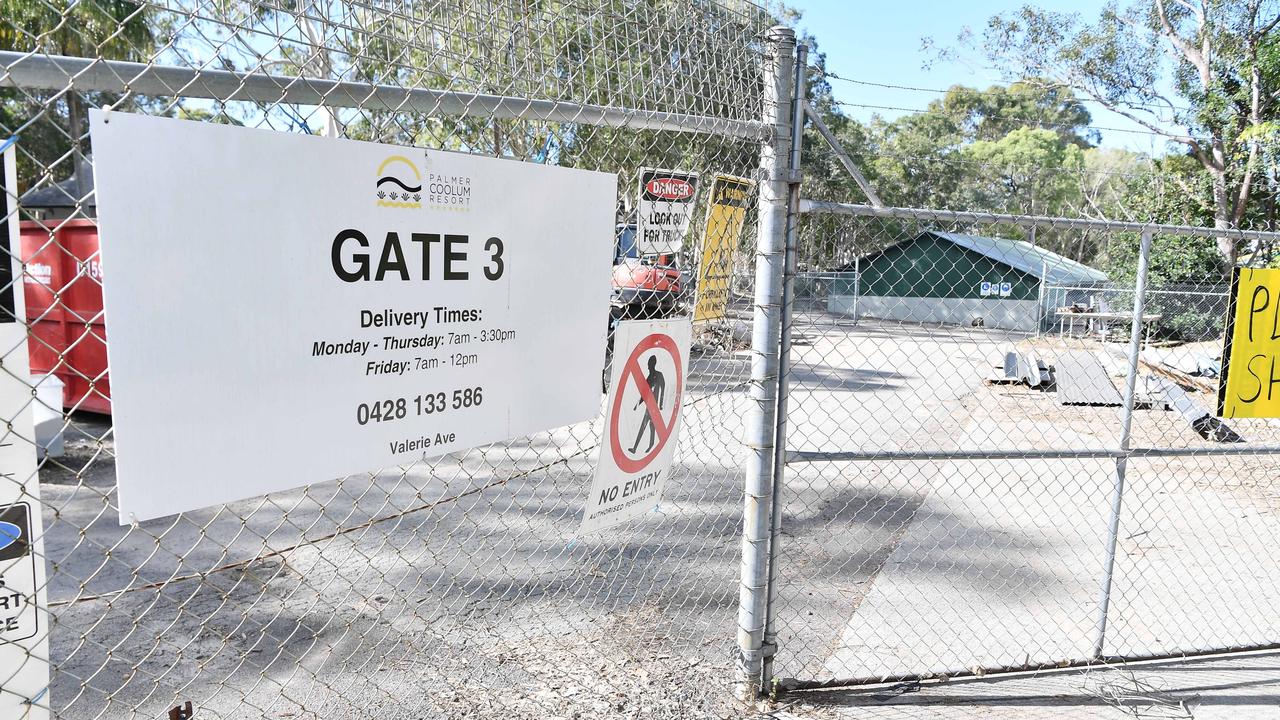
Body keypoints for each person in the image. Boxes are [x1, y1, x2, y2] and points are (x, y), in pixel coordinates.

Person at [628, 354, 666, 454]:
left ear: (653, 364)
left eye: (649, 364)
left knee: (643, 426)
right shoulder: (649, 378)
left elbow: (663, 388)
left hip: (653, 407)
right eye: (648, 364)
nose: (648, 367)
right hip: (650, 406)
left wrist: (661, 404)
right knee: (651, 426)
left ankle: (635, 448)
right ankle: (651, 444)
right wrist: (637, 404)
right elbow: (644, 394)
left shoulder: (659, 375)